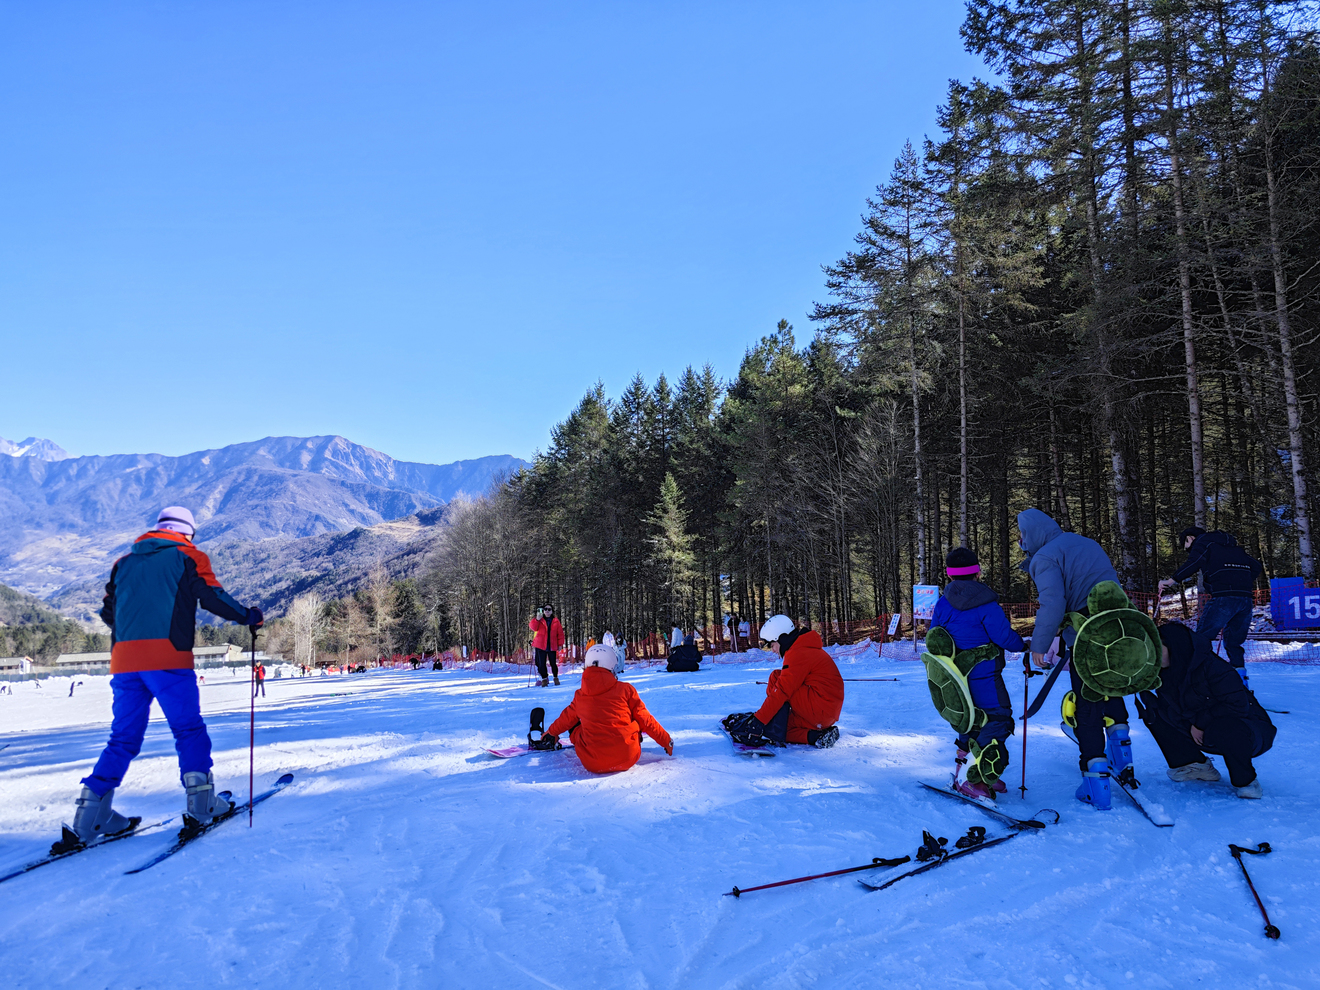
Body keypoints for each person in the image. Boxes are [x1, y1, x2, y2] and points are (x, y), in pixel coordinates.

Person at [63, 506, 263, 848]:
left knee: (122, 739)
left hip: (125, 661)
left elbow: (108, 611)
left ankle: (89, 814)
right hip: (168, 658)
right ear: (188, 533)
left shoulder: (122, 564)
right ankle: (201, 805)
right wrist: (249, 616)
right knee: (187, 729)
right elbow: (212, 597)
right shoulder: (188, 556)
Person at [1018, 507, 1130, 810]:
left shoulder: (1045, 558)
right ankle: (1124, 759)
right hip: (1120, 630)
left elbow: (1053, 603)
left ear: (1034, 534)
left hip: (1087, 636)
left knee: (1088, 704)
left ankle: (1097, 783)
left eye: (1023, 535)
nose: (1021, 541)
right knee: (1113, 689)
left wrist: (1039, 646)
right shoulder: (1085, 543)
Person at [928, 547, 1026, 800]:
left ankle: (965, 773)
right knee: (998, 719)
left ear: (949, 575)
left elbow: (935, 637)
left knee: (969, 719)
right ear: (977, 572)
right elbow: (1003, 637)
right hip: (986, 677)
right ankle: (979, 780)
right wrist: (1024, 644)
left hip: (957, 679)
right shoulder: (986, 604)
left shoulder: (942, 603)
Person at [1137, 623, 1276, 798]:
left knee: (1227, 727)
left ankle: (1247, 781)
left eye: (1158, 649)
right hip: (1202, 727)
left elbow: (1238, 706)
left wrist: (1199, 723)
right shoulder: (1167, 671)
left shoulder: (1213, 667)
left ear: (1175, 647)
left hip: (1251, 730)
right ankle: (1193, 765)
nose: (1153, 655)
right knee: (1152, 710)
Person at [543, 643, 673, 773]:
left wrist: (551, 733)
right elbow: (645, 719)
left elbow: (565, 719)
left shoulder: (580, 695)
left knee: (574, 722)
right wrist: (666, 741)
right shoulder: (626, 690)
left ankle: (588, 743)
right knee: (634, 717)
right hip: (629, 757)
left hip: (592, 763)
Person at [722, 614, 844, 748]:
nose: (773, 650)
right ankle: (817, 736)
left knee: (777, 686)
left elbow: (782, 691)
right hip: (824, 710)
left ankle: (771, 721)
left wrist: (758, 720)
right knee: (777, 727)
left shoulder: (798, 653)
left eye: (773, 645)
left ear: (781, 638)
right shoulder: (802, 647)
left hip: (820, 708)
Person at [1158, 527, 1263, 679]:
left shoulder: (1203, 543)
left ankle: (1199, 680)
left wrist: (1171, 580)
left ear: (1190, 538)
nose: (1188, 550)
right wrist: (1239, 580)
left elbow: (1193, 562)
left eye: (1186, 546)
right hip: (1245, 600)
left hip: (1223, 598)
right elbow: (1256, 566)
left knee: (1200, 640)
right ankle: (1240, 681)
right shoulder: (1234, 548)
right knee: (1234, 643)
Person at [528, 604, 565, 687]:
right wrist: (537, 619)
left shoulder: (556, 621)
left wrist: (560, 644)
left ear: (552, 611)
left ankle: (555, 677)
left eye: (549, 609)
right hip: (540, 645)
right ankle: (544, 678)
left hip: (552, 645)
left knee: (553, 663)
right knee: (541, 663)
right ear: (543, 611)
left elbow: (560, 633)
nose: (547, 611)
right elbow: (533, 628)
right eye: (545, 609)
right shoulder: (539, 620)